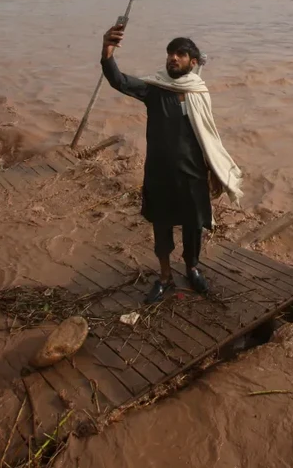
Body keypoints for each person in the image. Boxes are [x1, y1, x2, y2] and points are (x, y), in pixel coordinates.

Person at [101, 24, 243, 303]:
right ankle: (165, 276)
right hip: (159, 174)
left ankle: (192, 268)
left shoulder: (199, 93)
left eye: (180, 54)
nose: (173, 58)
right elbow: (118, 80)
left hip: (192, 174)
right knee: (161, 227)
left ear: (193, 62)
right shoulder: (154, 90)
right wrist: (107, 52)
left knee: (193, 227)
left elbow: (209, 137)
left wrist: (214, 170)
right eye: (170, 53)